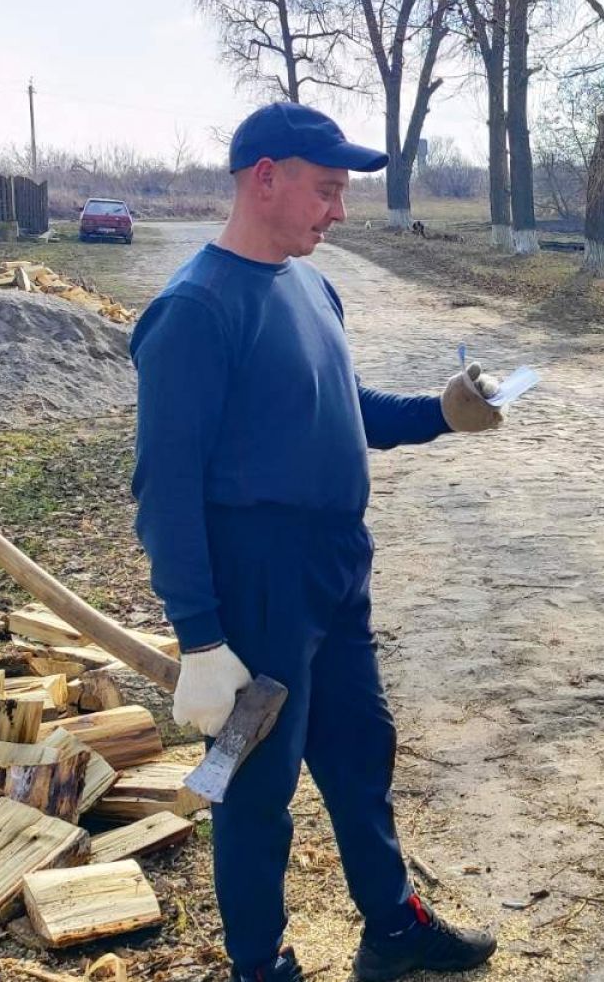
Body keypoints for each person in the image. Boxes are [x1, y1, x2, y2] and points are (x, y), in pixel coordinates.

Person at [130, 102, 503, 982]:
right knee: (253, 786)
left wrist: (441, 412)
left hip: (335, 569)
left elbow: (345, 405)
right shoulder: (195, 310)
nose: (339, 210)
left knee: (360, 748)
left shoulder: (309, 285)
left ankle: (394, 928)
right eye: (327, 190)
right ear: (266, 178)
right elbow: (164, 490)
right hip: (257, 582)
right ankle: (258, 965)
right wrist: (200, 639)